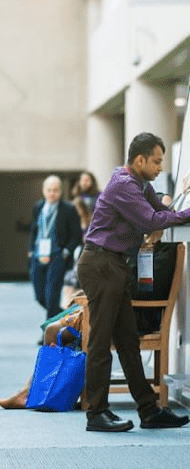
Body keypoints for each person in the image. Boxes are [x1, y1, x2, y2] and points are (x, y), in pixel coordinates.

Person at [78, 132, 190, 432]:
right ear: (139, 159)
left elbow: (161, 212)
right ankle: (96, 413)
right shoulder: (124, 186)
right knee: (101, 342)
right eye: (156, 161)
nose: (159, 167)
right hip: (101, 264)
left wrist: (181, 207)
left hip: (113, 265)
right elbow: (152, 221)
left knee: (128, 341)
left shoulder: (140, 183)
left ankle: (149, 410)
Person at [28, 176, 82, 320]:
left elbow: (76, 235)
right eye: (49, 190)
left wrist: (66, 252)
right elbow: (34, 229)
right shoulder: (38, 207)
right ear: (44, 190)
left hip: (57, 256)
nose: (52, 193)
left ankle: (48, 332)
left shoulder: (68, 209)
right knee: (40, 296)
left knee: (52, 296)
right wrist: (31, 250)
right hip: (38, 255)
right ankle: (64, 317)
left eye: (55, 190)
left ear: (60, 191)